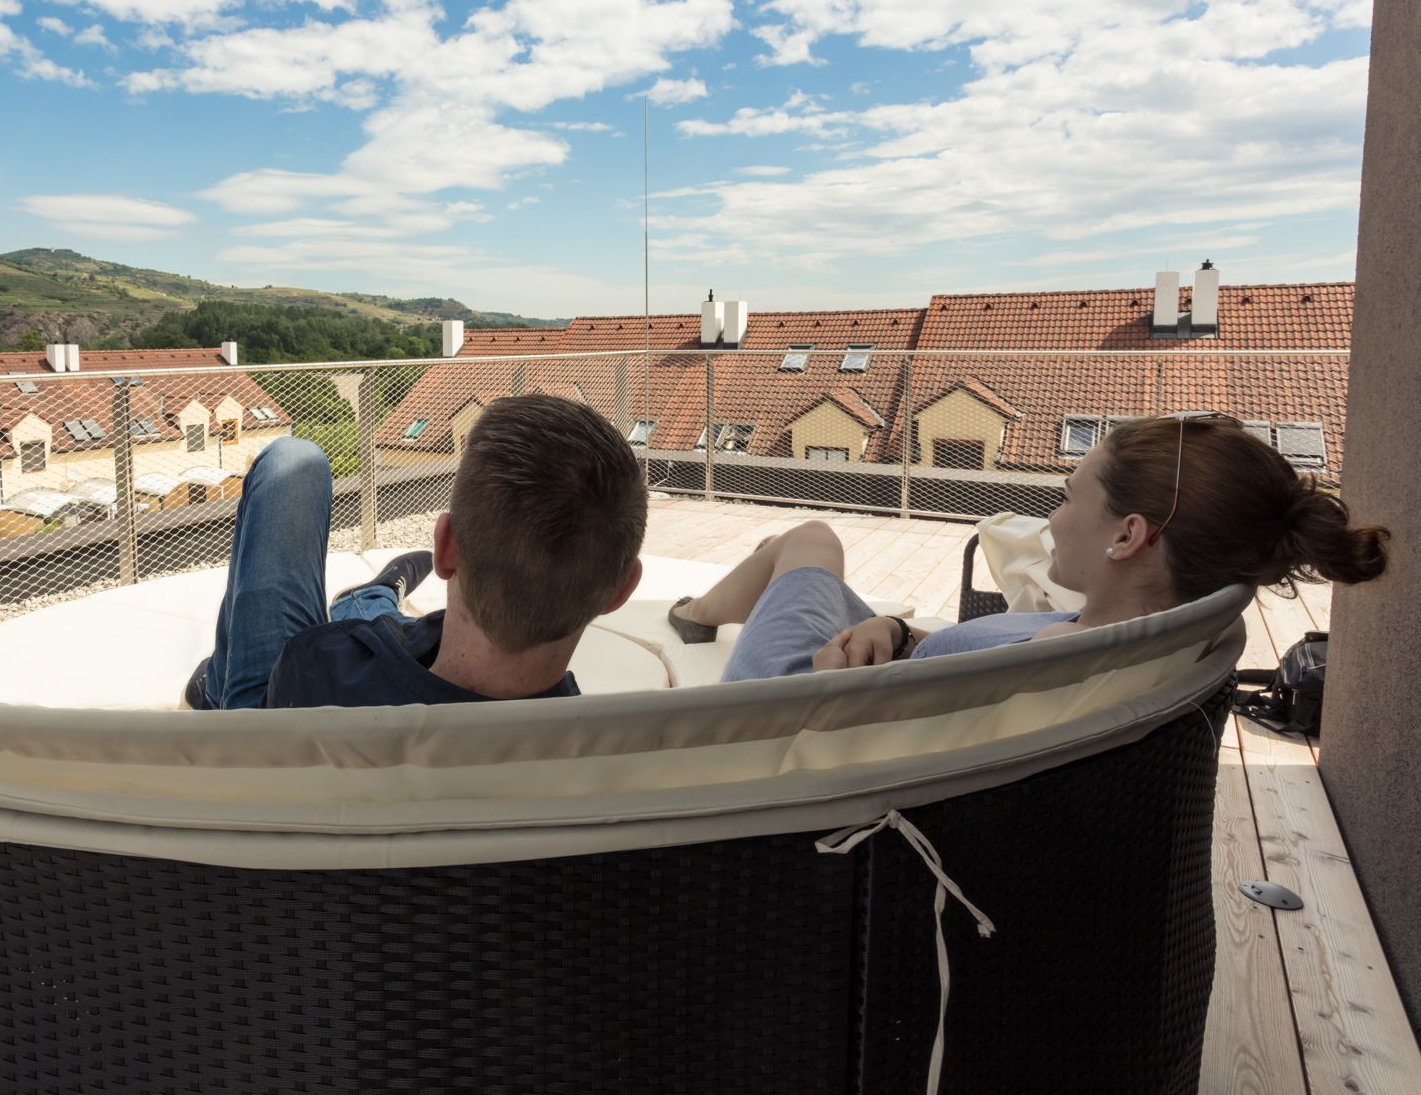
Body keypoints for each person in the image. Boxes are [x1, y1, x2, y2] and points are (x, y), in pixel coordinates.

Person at [665, 413, 1389, 680]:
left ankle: (698, 611)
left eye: (1071, 495)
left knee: (807, 536)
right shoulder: (1116, 645)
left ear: (1128, 535)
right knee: (804, 540)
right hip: (886, 661)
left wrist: (836, 681)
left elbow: (837, 735)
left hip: (799, 694)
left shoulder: (1035, 666)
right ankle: (702, 608)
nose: (1053, 515)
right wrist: (895, 630)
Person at [184, 393, 648, 709]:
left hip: (269, 730)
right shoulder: (599, 749)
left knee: (294, 461)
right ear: (621, 589)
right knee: (385, 622)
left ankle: (219, 684)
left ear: (446, 549)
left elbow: (296, 676)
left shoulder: (310, 665)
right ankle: (377, 595)